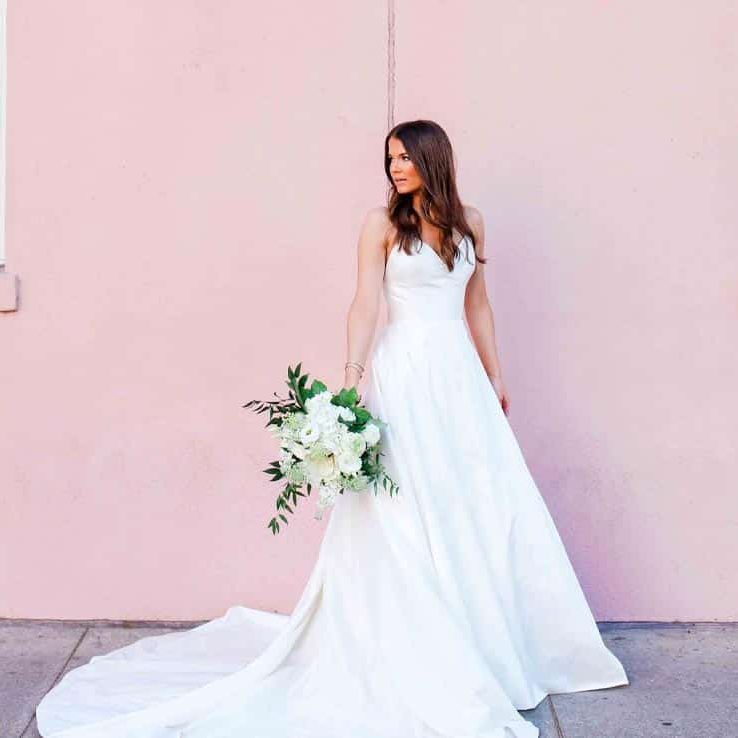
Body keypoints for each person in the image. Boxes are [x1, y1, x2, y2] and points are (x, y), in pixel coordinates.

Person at [36, 119, 628, 738]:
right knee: (406, 507)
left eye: (405, 157)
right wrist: (351, 379)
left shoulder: (470, 222)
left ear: (434, 158)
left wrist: (496, 375)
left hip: (461, 381)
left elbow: (477, 303)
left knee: (476, 501)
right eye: (390, 158)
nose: (395, 168)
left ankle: (489, 642)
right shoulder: (380, 224)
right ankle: (420, 649)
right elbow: (365, 302)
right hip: (404, 376)